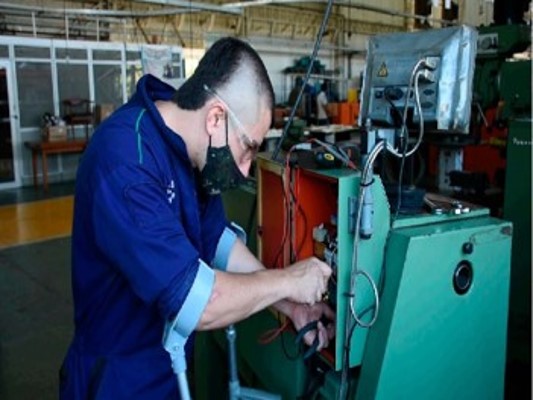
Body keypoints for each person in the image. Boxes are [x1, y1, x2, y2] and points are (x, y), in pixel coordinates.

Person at [59, 37, 334, 399]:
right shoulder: (126, 161)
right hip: (118, 378)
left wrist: (290, 305)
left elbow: (218, 242)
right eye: (248, 148)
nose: (246, 169)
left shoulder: (191, 153)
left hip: (164, 369)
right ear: (216, 117)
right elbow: (197, 303)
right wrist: (287, 281)